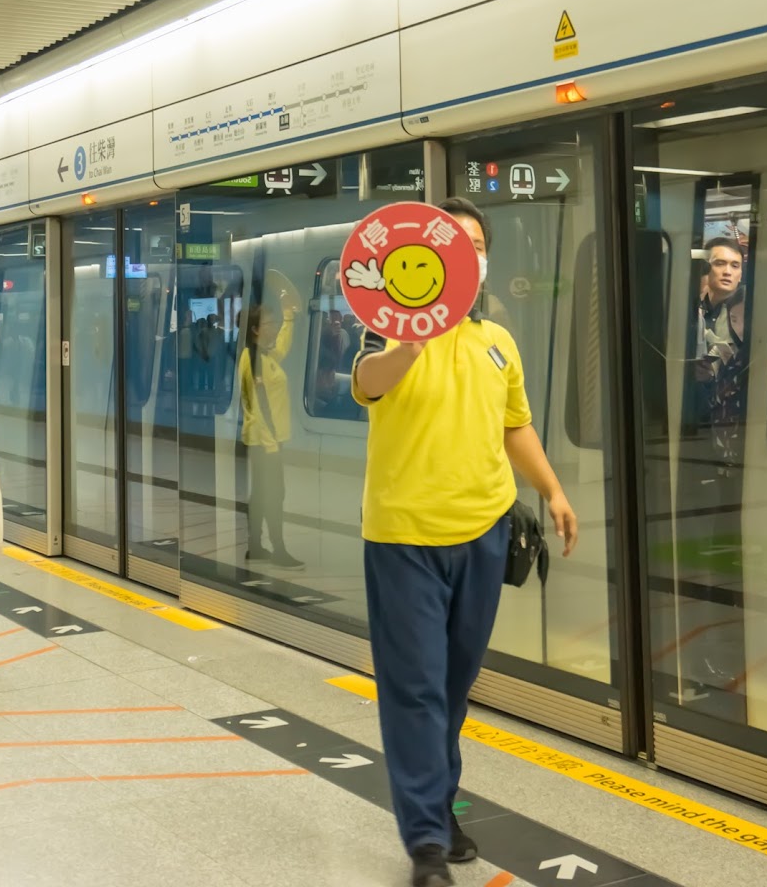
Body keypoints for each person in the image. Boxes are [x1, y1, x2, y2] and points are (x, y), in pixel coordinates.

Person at [351, 197, 580, 887]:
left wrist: (552, 489)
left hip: (484, 532)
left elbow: (515, 427)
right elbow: (367, 382)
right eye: (456, 244)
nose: (468, 255)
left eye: (477, 245)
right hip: (404, 538)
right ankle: (425, 841)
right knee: (414, 688)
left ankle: (439, 806)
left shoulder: (498, 343)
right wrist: (411, 341)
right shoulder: (386, 330)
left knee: (453, 686)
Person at [240, 297, 301, 567]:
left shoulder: (264, 355)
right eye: (269, 323)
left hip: (269, 440)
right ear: (255, 329)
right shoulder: (252, 359)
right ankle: (278, 550)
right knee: (274, 494)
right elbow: (258, 405)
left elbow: (283, 348)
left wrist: (289, 318)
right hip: (265, 442)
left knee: (264, 493)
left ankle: (255, 547)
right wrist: (271, 442)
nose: (273, 327)